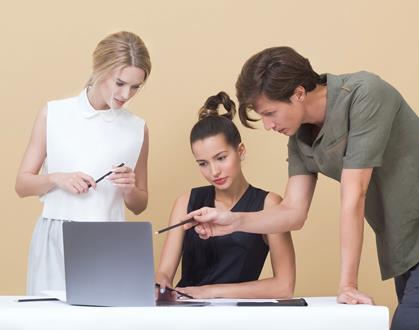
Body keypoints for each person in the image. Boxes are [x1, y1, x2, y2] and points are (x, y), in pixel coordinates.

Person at [185, 47, 419, 329]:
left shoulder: (366, 94)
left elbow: (354, 194)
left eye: (270, 113)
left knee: (410, 325)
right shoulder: (300, 136)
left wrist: (347, 285)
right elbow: (292, 212)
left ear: (298, 93)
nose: (267, 125)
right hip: (401, 238)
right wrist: (232, 221)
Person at [15, 31, 151, 295]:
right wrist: (56, 178)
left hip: (110, 241)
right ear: (100, 69)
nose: (126, 94)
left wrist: (129, 189)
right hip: (56, 236)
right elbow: (22, 185)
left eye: (136, 87)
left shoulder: (138, 129)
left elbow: (139, 205)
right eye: (120, 83)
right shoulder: (54, 113)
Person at [155, 92, 295, 299]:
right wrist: (159, 286)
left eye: (221, 158)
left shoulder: (269, 204)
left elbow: (284, 287)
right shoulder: (186, 202)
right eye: (203, 163)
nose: (214, 172)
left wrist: (210, 292)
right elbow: (164, 273)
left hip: (236, 317)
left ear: (241, 151)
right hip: (186, 314)